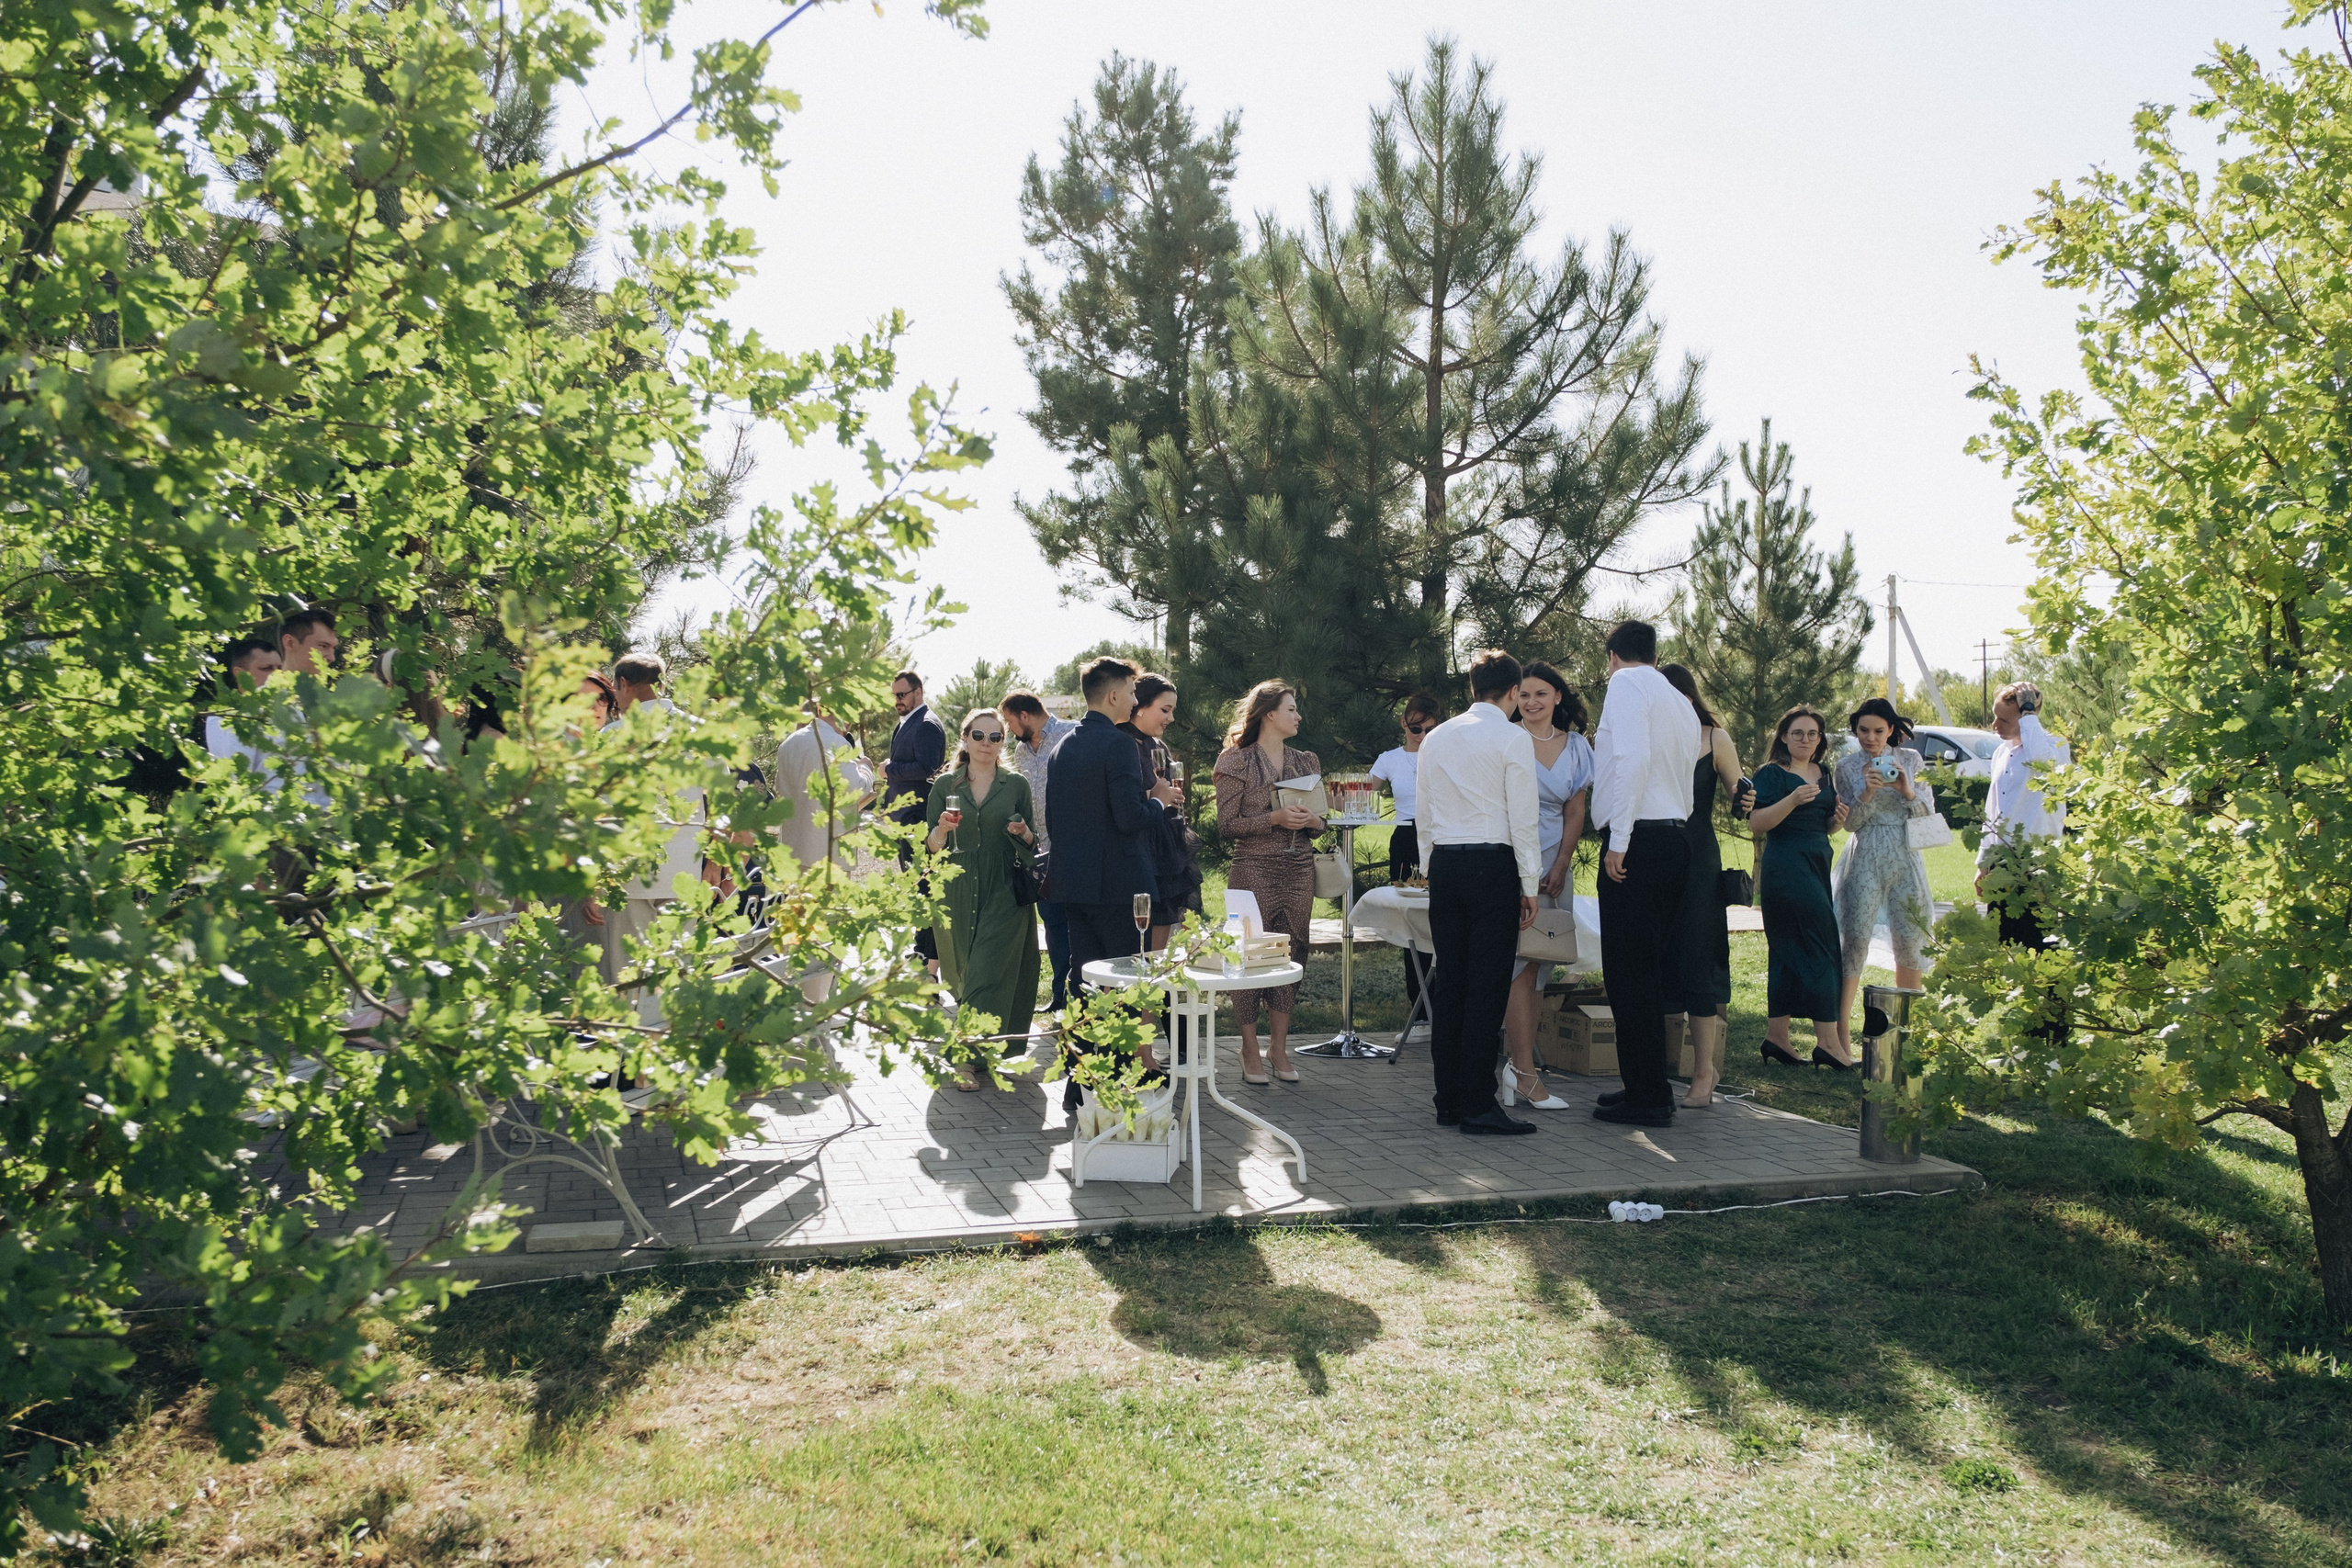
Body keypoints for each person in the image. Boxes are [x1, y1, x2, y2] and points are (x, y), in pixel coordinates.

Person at [1415, 649, 1542, 1136]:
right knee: (1486, 986)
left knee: (1451, 983)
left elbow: (1423, 811)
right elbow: (1523, 817)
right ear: (1513, 692)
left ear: (1473, 689)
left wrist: (1430, 868)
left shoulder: (1437, 737)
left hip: (1446, 863)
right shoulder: (1513, 737)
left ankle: (1447, 1099)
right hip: (1493, 863)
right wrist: (1529, 882)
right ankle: (1477, 1103)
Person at [1589, 619, 1702, 1128]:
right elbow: (1683, 775)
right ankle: (1646, 1083)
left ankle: (1649, 1098)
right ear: (1655, 655)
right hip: (1674, 834)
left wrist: (1620, 840)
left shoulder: (1625, 683)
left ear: (1613, 656)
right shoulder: (1678, 698)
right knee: (1648, 970)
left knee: (1628, 972)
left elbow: (1632, 759)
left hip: (1639, 838)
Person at [1043, 656, 1162, 1111]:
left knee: (1084, 986)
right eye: (1131, 692)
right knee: (1126, 987)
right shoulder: (1118, 745)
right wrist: (1160, 802)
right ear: (1113, 696)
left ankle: (1081, 1086)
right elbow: (1128, 817)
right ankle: (1117, 1085)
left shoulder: (1063, 746)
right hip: (1121, 888)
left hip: (1074, 884)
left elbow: (1056, 819)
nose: (1135, 699)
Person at [1212, 680, 1325, 1086]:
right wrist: (1274, 819)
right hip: (1253, 869)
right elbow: (1226, 826)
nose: (1298, 716)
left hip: (1299, 870)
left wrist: (1313, 820)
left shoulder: (1305, 761)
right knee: (1248, 954)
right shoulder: (1235, 761)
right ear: (1269, 714)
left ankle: (1278, 1048)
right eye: (1291, 709)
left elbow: (1321, 822)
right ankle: (1248, 1047)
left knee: (1293, 953)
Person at [923, 708, 1041, 1089]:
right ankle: (982, 1049)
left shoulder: (1016, 785)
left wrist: (1022, 832)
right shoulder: (945, 786)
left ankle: (963, 1059)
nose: (986, 744)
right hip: (956, 887)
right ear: (965, 738)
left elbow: (1033, 842)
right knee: (964, 972)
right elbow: (931, 847)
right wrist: (942, 830)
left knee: (986, 969)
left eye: (995, 737)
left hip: (1004, 887)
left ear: (1003, 742)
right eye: (978, 736)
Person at [1498, 662, 1591, 1112]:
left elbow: (1576, 810)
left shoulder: (1576, 746)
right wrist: (1526, 870)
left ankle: (1520, 1069)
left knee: (1540, 966)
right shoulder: (1506, 739)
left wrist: (1562, 864)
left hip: (1557, 866)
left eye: (1540, 694)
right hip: (1515, 862)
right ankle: (1523, 1072)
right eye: (1524, 694)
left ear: (1557, 696)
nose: (1531, 702)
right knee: (1518, 966)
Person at [600, 651, 707, 1026]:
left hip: (630, 871)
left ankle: (637, 1050)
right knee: (679, 967)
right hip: (685, 868)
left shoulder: (612, 737)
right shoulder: (695, 730)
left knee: (630, 974)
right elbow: (723, 794)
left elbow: (598, 809)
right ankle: (677, 1041)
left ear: (623, 684)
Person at [1658, 662, 1743, 1107]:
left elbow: (1739, 799)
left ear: (1689, 698)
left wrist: (1745, 797)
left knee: (1698, 956)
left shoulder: (1714, 738)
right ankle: (1655, 1068)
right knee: (1657, 958)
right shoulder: (1650, 737)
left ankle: (1704, 1071)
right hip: (1655, 856)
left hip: (1699, 861)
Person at [1832, 696, 1936, 1055]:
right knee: (1855, 942)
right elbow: (1849, 824)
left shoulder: (1911, 760)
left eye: (1878, 731)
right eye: (1863, 730)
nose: (1871, 738)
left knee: (1909, 940)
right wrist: (1868, 792)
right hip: (1865, 857)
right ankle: (1840, 1038)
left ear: (1891, 729)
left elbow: (1928, 816)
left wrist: (1906, 790)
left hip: (1906, 856)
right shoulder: (1846, 766)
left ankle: (1905, 1036)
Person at [1748, 706, 1849, 1066]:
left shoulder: (1823, 773)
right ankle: (1828, 1043)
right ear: (1784, 737)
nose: (1805, 740)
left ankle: (1776, 1038)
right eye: (1798, 733)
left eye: (1812, 734)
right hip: (1786, 868)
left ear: (1820, 739)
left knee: (1786, 952)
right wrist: (1791, 800)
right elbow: (1757, 823)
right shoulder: (1772, 774)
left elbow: (1822, 826)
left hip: (1817, 863)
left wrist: (1837, 822)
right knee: (1822, 946)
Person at [1368, 692, 1442, 1043]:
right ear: (1403, 723)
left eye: (1430, 729)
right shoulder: (1389, 759)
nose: (1422, 735)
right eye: (1416, 728)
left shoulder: (1444, 752)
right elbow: (1359, 795)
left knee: (1445, 923)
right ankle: (1421, 1015)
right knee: (1411, 924)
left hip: (1441, 837)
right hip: (1406, 838)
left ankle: (1446, 1011)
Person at [1975, 680, 2069, 949]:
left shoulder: (2055, 747)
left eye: (2004, 720)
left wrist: (2029, 716)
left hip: (2038, 863)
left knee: (2036, 945)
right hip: (2002, 864)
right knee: (2002, 945)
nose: (1995, 725)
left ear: (2028, 717)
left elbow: (2042, 762)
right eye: (1995, 716)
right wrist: (1983, 863)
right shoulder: (2000, 753)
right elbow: (1992, 811)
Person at [1004, 690, 1080, 1011]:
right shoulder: (1020, 752)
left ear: (1025, 716)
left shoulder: (1072, 734)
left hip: (1074, 851)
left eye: (1010, 722)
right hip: (1040, 853)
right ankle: (1059, 995)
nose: (1008, 730)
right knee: (1052, 926)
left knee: (1077, 926)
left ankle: (1081, 995)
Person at [1121, 672, 1200, 947]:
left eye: (1172, 711)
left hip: (1166, 846)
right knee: (1139, 933)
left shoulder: (1157, 746)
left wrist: (1170, 798)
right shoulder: (1121, 745)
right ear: (1140, 707)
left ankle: (1163, 974)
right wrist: (1154, 796)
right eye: (1165, 710)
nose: (1171, 718)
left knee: (1167, 923)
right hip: (1139, 848)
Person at [884, 670, 948, 967]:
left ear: (918, 693)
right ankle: (921, 949)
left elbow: (927, 768)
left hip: (919, 820)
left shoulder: (926, 725)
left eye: (902, 695)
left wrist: (889, 769)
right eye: (894, 695)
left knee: (924, 887)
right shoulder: (909, 722)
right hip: (905, 820)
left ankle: (928, 955)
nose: (897, 701)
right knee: (917, 887)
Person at [775, 704, 875, 876]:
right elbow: (856, 790)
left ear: (819, 710)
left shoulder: (788, 743)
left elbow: (780, 790)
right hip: (828, 857)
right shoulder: (837, 743)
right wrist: (866, 768)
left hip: (791, 852)